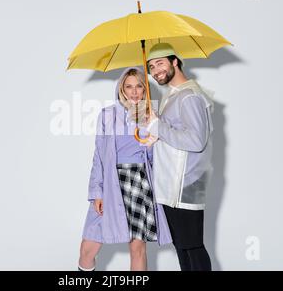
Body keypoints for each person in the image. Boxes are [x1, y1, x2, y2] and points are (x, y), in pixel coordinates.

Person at [78, 67, 172, 271]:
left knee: (137, 248)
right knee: (88, 248)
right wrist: (96, 192)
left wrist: (154, 137)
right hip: (112, 184)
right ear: (122, 89)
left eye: (139, 86)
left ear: (145, 89)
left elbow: (159, 160)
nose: (134, 91)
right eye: (129, 86)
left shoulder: (151, 117)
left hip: (140, 183)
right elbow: (99, 156)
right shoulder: (108, 115)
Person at [144, 43, 215, 271]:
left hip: (184, 184)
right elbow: (175, 135)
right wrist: (156, 134)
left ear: (175, 61)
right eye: (152, 67)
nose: (156, 71)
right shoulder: (174, 96)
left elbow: (196, 141)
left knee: (192, 247)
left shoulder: (188, 97)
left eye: (160, 63)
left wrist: (158, 127)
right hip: (172, 185)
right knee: (182, 247)